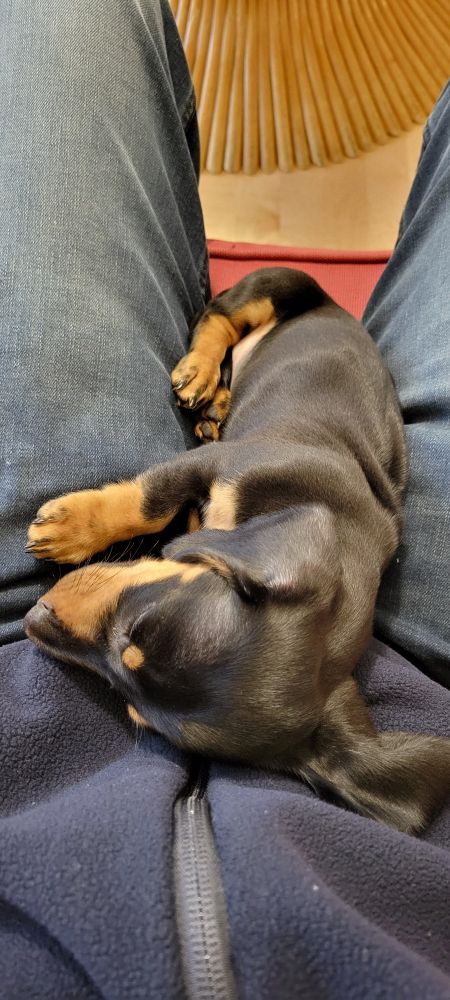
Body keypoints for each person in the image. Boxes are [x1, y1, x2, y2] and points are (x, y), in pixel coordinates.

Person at [1, 2, 449, 996]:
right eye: (114, 627)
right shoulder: (260, 523)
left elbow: (54, 621)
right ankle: (221, 335)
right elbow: (220, 486)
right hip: (410, 635)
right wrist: (131, 510)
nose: (58, 618)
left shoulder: (58, 621)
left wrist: (124, 635)